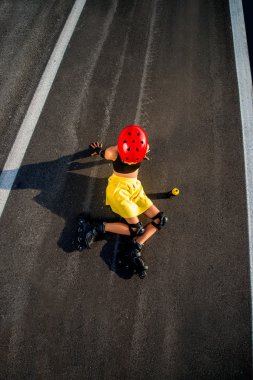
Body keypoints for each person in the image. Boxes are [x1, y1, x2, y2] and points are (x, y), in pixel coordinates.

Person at [77, 125, 168, 278]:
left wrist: (100, 151)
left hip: (134, 189)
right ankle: (97, 227)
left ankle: (135, 246)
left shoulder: (142, 149)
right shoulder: (113, 152)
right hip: (118, 192)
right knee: (135, 229)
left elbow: (103, 154)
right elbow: (103, 154)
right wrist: (99, 150)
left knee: (161, 220)